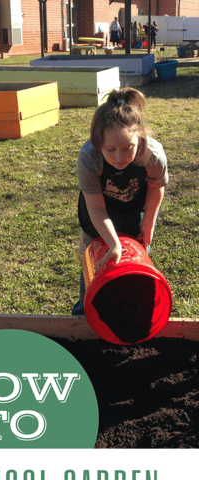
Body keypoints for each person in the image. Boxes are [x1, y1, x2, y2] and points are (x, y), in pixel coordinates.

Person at [72, 88, 168, 315]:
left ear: (140, 137)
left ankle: (134, 315)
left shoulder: (153, 154)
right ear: (98, 143)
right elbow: (95, 207)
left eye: (128, 148)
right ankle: (83, 314)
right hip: (99, 217)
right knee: (94, 268)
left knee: (135, 269)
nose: (119, 158)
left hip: (133, 211)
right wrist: (113, 243)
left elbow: (156, 188)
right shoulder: (89, 158)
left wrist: (149, 224)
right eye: (110, 149)